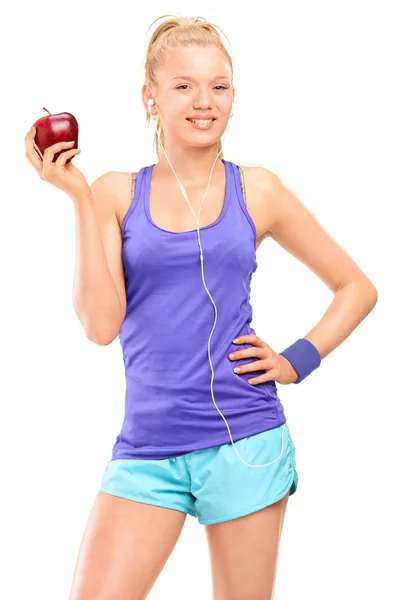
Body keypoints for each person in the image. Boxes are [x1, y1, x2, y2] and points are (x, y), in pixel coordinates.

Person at [24, 13, 378, 600]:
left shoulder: (256, 190)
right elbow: (100, 326)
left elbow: (356, 288)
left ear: (234, 96)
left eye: (219, 85)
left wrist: (295, 361)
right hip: (147, 451)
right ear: (151, 97)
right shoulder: (114, 192)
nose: (204, 101)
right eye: (184, 85)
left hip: (247, 443)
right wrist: (78, 198)